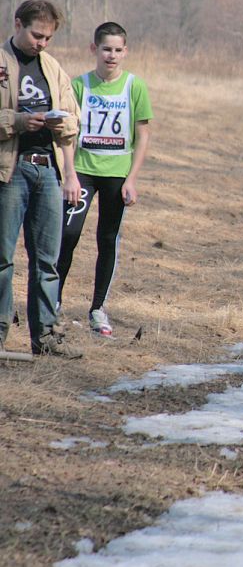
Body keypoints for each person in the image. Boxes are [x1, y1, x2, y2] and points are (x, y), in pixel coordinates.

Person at [56, 21, 153, 338]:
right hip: (82, 171)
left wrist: (132, 179)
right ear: (93, 49)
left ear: (125, 52)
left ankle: (97, 309)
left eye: (117, 50)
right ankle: (52, 303)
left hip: (116, 175)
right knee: (67, 235)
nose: (111, 55)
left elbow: (143, 136)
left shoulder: (134, 86)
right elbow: (68, 133)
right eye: (106, 49)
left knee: (107, 240)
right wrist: (69, 173)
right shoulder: (80, 85)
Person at [0, 0, 82, 358]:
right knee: (3, 257)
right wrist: (18, 122)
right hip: (10, 170)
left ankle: (46, 337)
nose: (42, 43)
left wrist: (71, 172)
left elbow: (73, 122)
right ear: (18, 24)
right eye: (36, 35)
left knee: (47, 259)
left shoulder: (52, 67)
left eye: (48, 38)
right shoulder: (2, 63)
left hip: (48, 170)